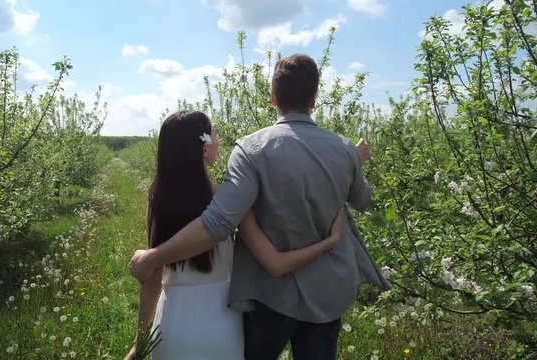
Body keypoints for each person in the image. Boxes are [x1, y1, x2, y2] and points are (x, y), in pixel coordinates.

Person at [130, 54, 391, 360]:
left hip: (267, 298)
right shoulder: (345, 149)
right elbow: (363, 200)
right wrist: (351, 163)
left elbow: (219, 223)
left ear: (272, 98)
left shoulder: (250, 149)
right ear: (314, 99)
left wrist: (153, 257)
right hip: (326, 295)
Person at [123, 110, 346, 360]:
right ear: (204, 149)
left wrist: (139, 344)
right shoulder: (229, 201)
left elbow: (151, 280)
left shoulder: (158, 201)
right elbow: (276, 262)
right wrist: (330, 241)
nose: (218, 139)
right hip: (221, 321)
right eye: (214, 133)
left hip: (172, 322)